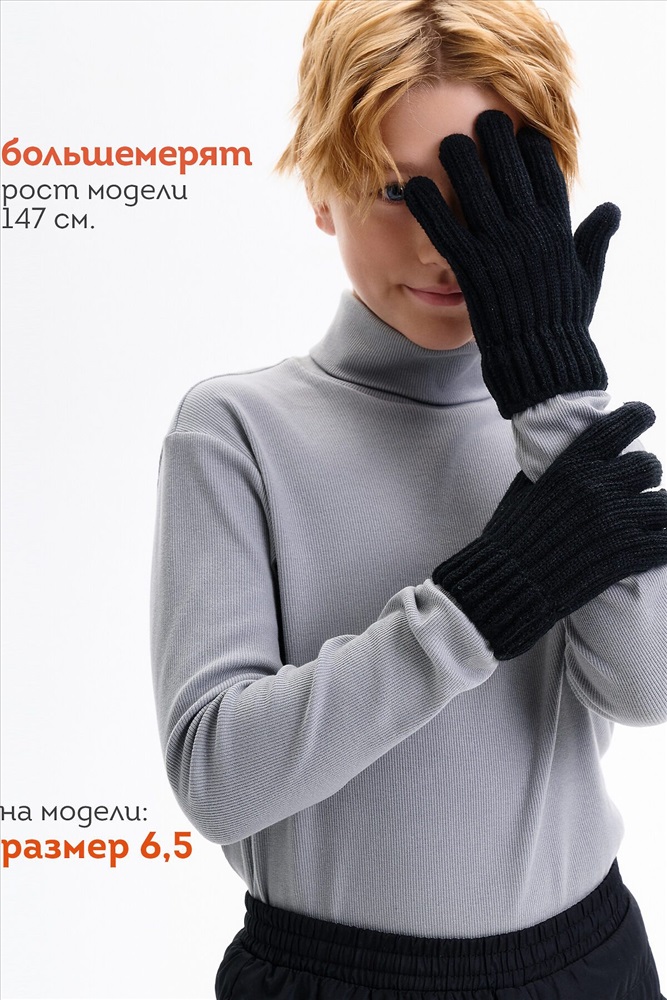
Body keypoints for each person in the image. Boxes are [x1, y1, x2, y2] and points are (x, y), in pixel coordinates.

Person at [150, 1, 667, 996]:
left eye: (487, 194)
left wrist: (555, 391)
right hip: (334, 974)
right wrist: (483, 600)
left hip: (586, 959)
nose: (444, 246)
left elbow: (646, 691)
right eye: (399, 192)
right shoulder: (235, 430)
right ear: (321, 188)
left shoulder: (561, 418)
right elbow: (217, 779)